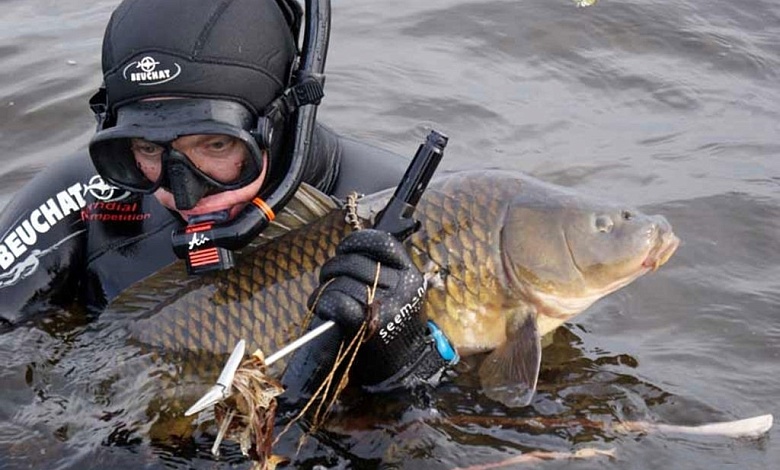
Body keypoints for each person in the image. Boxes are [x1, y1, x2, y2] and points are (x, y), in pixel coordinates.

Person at [0, 0, 454, 395]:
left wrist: (408, 368)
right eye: (147, 148)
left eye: (216, 145)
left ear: (277, 123)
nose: (183, 193)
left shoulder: (411, 213)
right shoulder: (79, 200)